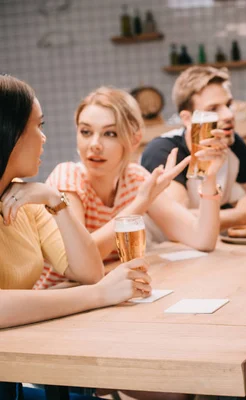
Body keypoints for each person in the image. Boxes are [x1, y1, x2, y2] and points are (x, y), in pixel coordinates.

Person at [0, 75, 152, 397]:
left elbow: (88, 271)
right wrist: (98, 295)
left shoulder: (27, 201)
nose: (44, 138)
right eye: (37, 127)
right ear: (8, 134)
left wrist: (57, 202)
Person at [43, 87, 225, 266]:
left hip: (109, 287)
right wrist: (142, 201)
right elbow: (81, 259)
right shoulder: (67, 178)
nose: (95, 145)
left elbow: (203, 239)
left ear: (134, 139)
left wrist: (210, 177)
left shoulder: (135, 179)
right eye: (86, 132)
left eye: (110, 133)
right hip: (60, 292)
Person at [141, 66, 246, 230]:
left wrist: (241, 210)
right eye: (213, 109)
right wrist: (239, 215)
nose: (228, 115)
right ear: (187, 119)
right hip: (162, 249)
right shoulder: (163, 151)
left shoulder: (232, 143)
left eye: (228, 105)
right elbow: (180, 220)